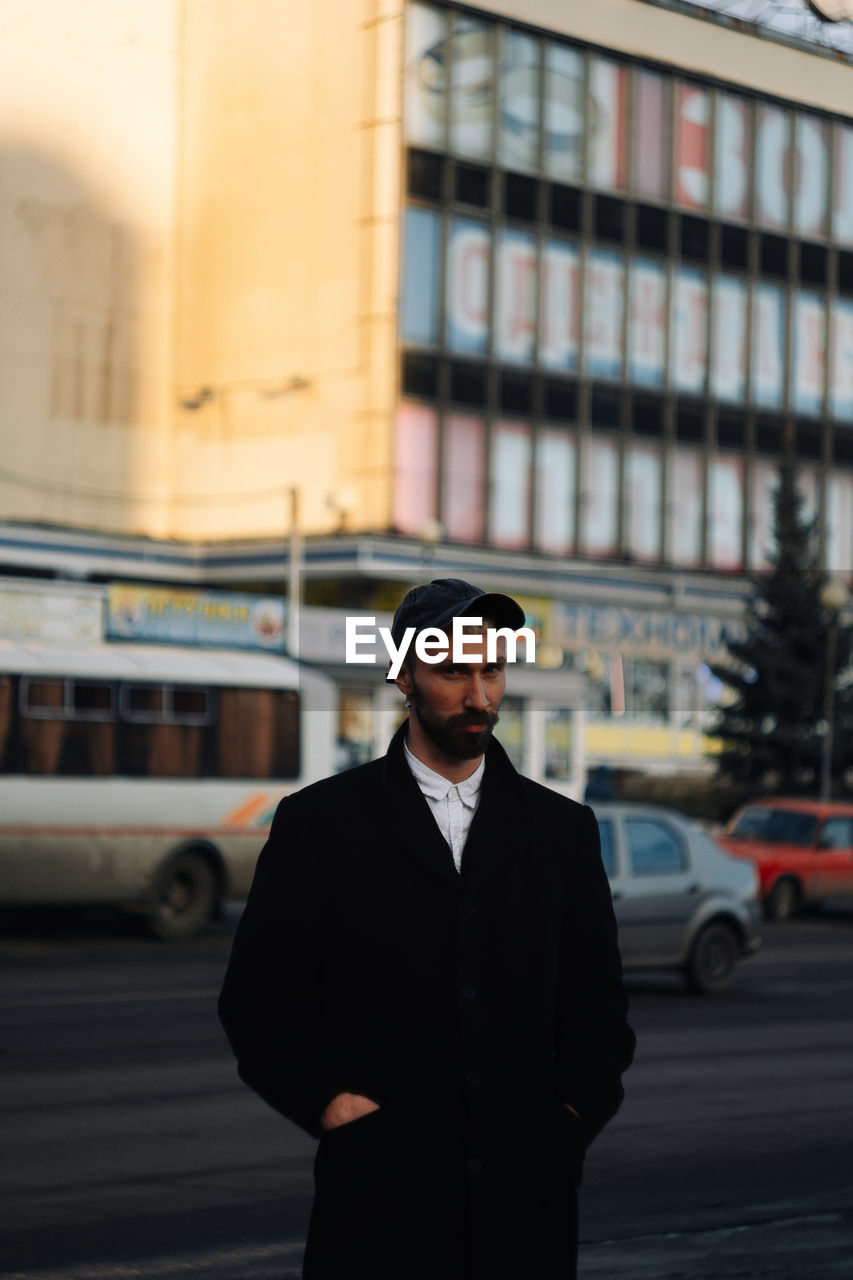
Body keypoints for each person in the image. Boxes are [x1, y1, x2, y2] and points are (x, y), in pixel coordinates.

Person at [219, 577, 635, 1280]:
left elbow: (596, 1010)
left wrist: (564, 1121)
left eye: (491, 670)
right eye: (452, 672)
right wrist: (332, 1105)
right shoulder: (319, 825)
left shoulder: (560, 832)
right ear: (403, 675)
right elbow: (258, 1000)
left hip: (524, 1217)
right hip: (378, 1216)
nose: (479, 696)